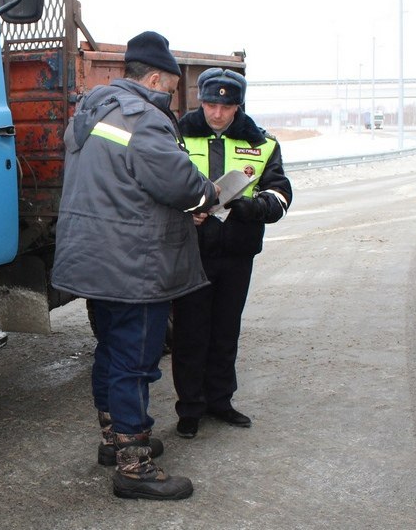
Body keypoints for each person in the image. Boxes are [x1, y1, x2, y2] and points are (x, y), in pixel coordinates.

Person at [51, 31, 219, 500]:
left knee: (110, 350)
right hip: (134, 264)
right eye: (170, 85)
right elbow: (181, 183)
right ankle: (134, 467)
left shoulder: (91, 110)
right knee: (133, 362)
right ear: (155, 77)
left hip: (94, 256)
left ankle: (116, 441)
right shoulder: (144, 118)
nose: (171, 94)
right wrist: (211, 193)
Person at [171, 67, 292, 439]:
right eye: (210, 104)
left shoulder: (263, 143)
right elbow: (160, 187)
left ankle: (220, 402)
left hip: (237, 253)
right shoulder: (175, 134)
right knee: (190, 334)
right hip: (191, 253)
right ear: (200, 101)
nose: (217, 113)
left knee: (226, 330)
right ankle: (190, 408)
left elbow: (280, 194)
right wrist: (186, 211)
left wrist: (252, 207)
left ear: (239, 106)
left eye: (226, 106)